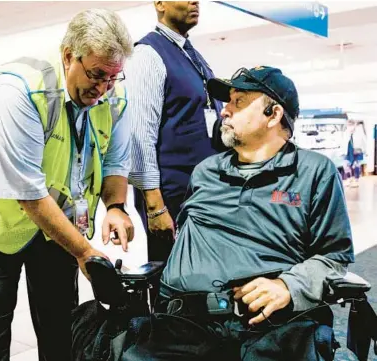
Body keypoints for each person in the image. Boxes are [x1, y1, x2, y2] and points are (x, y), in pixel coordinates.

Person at [0, 9, 134, 361]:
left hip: (54, 224)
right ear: (68, 56)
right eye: (96, 75)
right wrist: (83, 250)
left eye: (112, 77)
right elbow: (28, 192)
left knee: (61, 322)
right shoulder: (18, 88)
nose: (102, 89)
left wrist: (115, 207)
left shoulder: (114, 93)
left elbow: (115, 159)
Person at [146, 66, 354, 360]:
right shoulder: (205, 172)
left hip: (264, 328)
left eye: (239, 101)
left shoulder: (314, 172)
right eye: (227, 102)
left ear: (274, 114)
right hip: (180, 326)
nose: (224, 111)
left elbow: (335, 256)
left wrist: (288, 285)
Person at [125, 1, 224, 296]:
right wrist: (155, 206)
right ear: (160, 4)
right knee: (173, 283)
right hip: (171, 198)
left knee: (202, 282)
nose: (195, 2)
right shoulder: (147, 54)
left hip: (201, 195)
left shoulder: (194, 57)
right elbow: (139, 135)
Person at [341, 120, 367, 187]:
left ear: (354, 125)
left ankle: (356, 180)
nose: (350, 127)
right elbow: (343, 142)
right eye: (349, 125)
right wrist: (341, 152)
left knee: (356, 166)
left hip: (357, 151)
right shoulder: (345, 132)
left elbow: (364, 141)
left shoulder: (359, 132)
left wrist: (365, 151)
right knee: (346, 166)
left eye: (351, 125)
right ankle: (349, 179)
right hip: (347, 152)